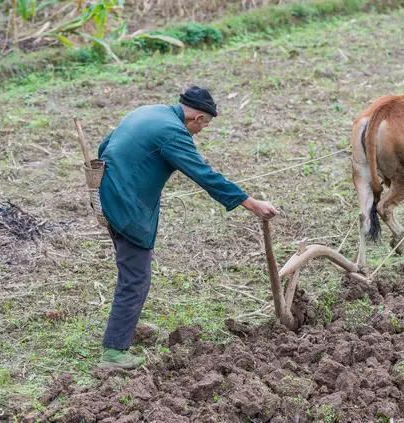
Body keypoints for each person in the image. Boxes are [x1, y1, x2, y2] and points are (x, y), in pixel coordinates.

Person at [96, 86, 278, 369]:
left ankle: (125, 326)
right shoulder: (173, 132)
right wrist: (250, 203)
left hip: (108, 195)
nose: (202, 130)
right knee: (136, 277)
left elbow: (105, 146)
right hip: (127, 206)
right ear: (197, 118)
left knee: (131, 271)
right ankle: (114, 352)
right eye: (204, 124)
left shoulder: (150, 111)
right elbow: (203, 174)